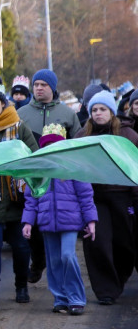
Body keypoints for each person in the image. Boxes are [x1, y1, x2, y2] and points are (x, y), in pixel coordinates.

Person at [21, 124, 98, 315]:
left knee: (67, 256)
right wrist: (28, 221)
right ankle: (60, 298)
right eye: (48, 146)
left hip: (70, 221)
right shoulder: (39, 170)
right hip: (48, 222)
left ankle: (76, 297)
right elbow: (31, 198)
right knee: (54, 260)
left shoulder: (73, 167)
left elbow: (86, 195)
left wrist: (91, 221)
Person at [0, 79, 39, 311]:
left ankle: (21, 286)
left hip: (17, 200)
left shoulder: (19, 126)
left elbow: (34, 156)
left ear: (3, 103)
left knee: (21, 247)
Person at [17, 69, 82, 284]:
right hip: (32, 174)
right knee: (32, 224)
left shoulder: (67, 113)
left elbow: (77, 143)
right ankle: (38, 261)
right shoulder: (22, 113)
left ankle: (61, 273)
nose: (39, 88)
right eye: (36, 84)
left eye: (44, 84)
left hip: (61, 178)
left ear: (52, 88)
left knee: (56, 223)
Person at [78, 90, 138, 305]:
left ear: (111, 112)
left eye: (103, 109)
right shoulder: (81, 137)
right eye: (94, 109)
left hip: (123, 196)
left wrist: (135, 198)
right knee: (97, 242)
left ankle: (120, 278)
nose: (98, 113)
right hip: (93, 197)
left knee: (124, 243)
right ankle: (106, 290)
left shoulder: (128, 135)